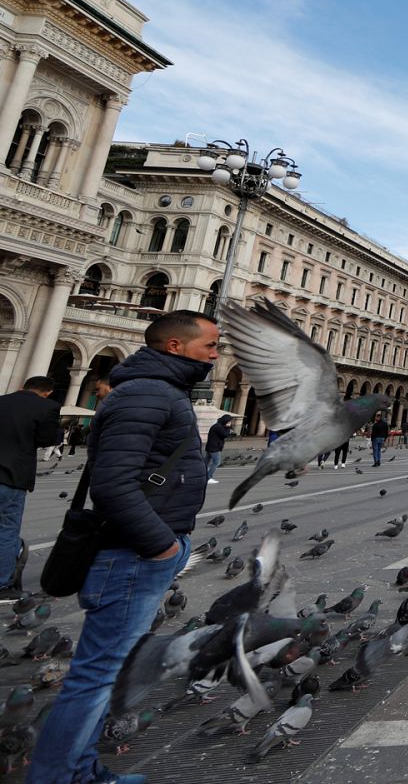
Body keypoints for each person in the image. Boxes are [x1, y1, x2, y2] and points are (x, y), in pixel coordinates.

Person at [30, 310, 217, 784]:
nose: (215, 355)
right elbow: (113, 484)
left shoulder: (156, 391)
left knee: (106, 675)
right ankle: (55, 777)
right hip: (134, 553)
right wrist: (162, 548)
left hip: (139, 549)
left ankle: (82, 770)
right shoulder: (149, 393)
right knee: (95, 677)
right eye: (210, 346)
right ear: (175, 347)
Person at [0, 376, 59, 595]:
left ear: (23, 386)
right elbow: (46, 439)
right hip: (11, 477)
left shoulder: (2, 400)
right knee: (6, 529)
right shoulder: (48, 407)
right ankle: (2, 583)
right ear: (48, 392)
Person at [204, 414, 234, 485]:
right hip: (215, 448)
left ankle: (201, 475)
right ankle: (208, 477)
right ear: (225, 421)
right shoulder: (218, 427)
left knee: (206, 462)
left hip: (211, 447)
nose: (230, 423)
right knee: (216, 462)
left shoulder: (217, 426)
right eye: (229, 422)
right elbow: (225, 435)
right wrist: (228, 427)